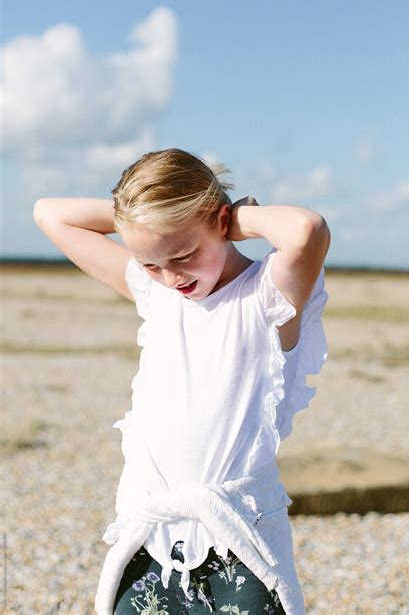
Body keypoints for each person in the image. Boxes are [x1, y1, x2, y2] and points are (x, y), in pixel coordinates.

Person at [33, 148, 331, 615]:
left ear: (220, 220)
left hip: (239, 536)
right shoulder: (157, 292)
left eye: (185, 255)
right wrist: (142, 223)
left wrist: (236, 217)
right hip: (150, 535)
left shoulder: (267, 298)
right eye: (151, 263)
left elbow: (305, 230)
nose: (172, 277)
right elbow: (49, 214)